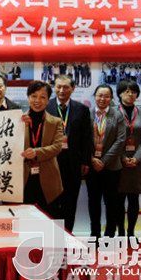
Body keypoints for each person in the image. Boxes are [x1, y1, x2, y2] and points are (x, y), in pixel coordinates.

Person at [46, 74, 92, 232]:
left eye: (65, 87)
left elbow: (87, 138)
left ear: (73, 88)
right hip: (51, 163)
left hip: (73, 164)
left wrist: (85, 161)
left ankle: (67, 236)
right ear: (54, 87)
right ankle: (53, 237)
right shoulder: (46, 107)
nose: (61, 90)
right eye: (58, 86)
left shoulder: (82, 109)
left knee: (70, 203)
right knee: (52, 203)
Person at [85, 84, 125, 238]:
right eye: (100, 95)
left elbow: (120, 140)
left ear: (111, 98)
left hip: (112, 167)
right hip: (91, 166)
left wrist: (104, 160)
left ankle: (109, 235)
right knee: (93, 202)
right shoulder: (86, 114)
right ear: (95, 96)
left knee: (111, 202)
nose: (103, 99)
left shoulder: (117, 115)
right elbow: (82, 139)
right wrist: (92, 159)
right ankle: (94, 233)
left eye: (106, 96)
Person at [20, 81, 64, 218]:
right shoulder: (18, 121)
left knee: (48, 221)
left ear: (48, 100)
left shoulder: (56, 122)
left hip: (48, 180)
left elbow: (57, 147)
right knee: (25, 221)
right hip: (24, 180)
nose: (37, 101)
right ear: (28, 97)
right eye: (34, 96)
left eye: (42, 97)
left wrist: (36, 152)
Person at [115, 80, 141, 237]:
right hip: (117, 162)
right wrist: (122, 157)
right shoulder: (113, 112)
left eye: (133, 92)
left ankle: (131, 233)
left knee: (134, 199)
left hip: (137, 163)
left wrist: (137, 158)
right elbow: (110, 138)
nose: (130, 94)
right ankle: (121, 233)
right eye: (126, 91)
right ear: (120, 94)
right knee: (118, 200)